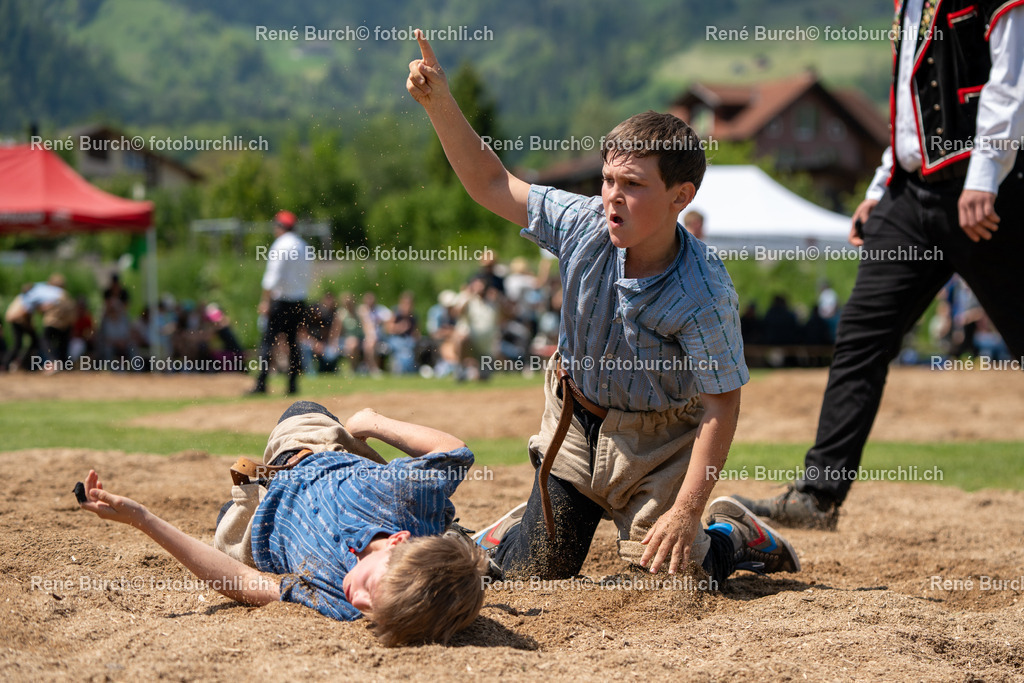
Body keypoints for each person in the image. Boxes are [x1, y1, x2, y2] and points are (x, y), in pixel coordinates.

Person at [406, 31, 800, 585]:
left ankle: (732, 534)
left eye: (632, 184)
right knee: (534, 573)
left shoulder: (704, 289)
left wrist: (688, 511)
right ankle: (520, 532)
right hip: (576, 421)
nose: (612, 194)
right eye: (608, 178)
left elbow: (721, 404)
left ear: (679, 197)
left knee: (672, 579)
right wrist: (440, 105)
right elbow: (492, 181)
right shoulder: (582, 222)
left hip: (659, 444)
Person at [736, 0, 1024, 529]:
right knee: (861, 336)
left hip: (986, 190)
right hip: (910, 198)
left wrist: (985, 177)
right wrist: (880, 187)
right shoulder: (907, 4)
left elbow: (1011, 84)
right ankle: (817, 496)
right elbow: (908, 103)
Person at [77, 402, 487, 647]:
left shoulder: (340, 604)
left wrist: (143, 519)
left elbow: (245, 581)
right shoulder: (401, 493)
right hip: (319, 448)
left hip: (260, 525)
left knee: (225, 524)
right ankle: (446, 532)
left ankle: (445, 533)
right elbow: (456, 452)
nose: (357, 600)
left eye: (370, 613)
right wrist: (372, 423)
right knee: (301, 409)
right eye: (370, 588)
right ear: (398, 541)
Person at [251, 210, 313, 395]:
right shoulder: (303, 245)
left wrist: (265, 300)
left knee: (268, 342)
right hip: (299, 300)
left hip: (280, 301)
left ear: (280, 227)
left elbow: (272, 277)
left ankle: (262, 383)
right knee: (294, 344)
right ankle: (292, 385)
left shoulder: (280, 245)